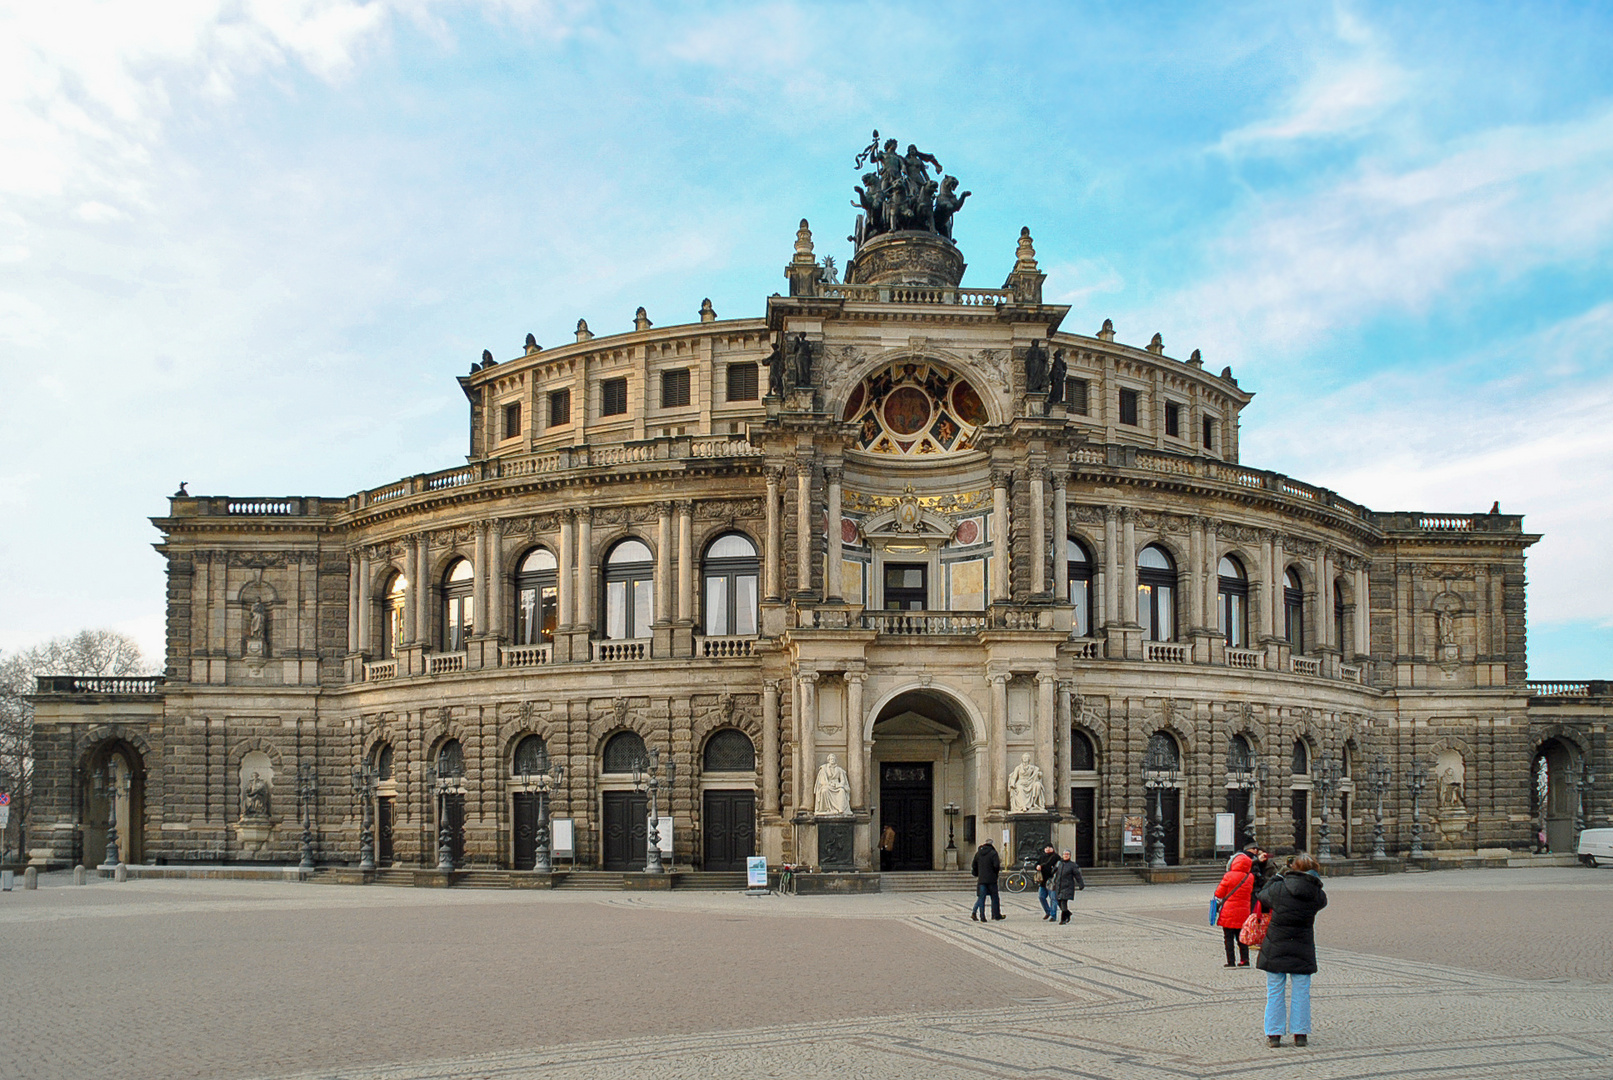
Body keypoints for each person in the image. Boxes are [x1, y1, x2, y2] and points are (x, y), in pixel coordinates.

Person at [1256, 852, 1328, 1048]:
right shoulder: (1317, 894)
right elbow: (1322, 900)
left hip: (1276, 943)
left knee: (1275, 990)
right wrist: (1314, 881)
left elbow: (1262, 895)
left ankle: (1274, 1034)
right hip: (1302, 945)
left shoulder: (1279, 887)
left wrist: (1278, 876)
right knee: (1301, 991)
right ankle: (1300, 1033)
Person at [1213, 845, 1267, 967]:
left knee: (1228, 938)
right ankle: (1245, 960)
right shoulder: (1250, 877)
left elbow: (1219, 893)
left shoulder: (1229, 876)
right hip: (1243, 912)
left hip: (1228, 911)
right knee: (1242, 937)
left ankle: (1231, 961)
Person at [970, 837, 1003, 922]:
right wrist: (995, 874)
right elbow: (996, 866)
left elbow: (974, 865)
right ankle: (995, 915)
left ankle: (982, 916)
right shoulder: (993, 853)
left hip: (982, 879)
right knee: (994, 898)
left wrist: (978, 873)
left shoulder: (978, 853)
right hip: (991, 879)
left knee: (981, 898)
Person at [1053, 848, 1085, 923]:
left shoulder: (1072, 865)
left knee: (1063, 902)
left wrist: (1081, 884)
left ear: (1070, 856)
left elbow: (1078, 875)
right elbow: (1055, 874)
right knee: (1058, 901)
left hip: (1067, 886)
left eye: (1067, 854)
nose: (1066, 856)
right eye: (1064, 854)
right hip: (1059, 886)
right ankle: (1067, 913)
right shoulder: (1059, 864)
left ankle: (1063, 919)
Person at [1035, 844, 1060, 921]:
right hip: (1043, 881)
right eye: (1046, 848)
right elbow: (1037, 864)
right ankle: (1048, 911)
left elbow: (1049, 863)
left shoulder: (1055, 857)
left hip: (1051, 880)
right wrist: (1037, 867)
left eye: (1049, 848)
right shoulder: (1042, 857)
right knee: (1041, 897)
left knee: (1053, 898)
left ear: (1052, 848)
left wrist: (1041, 866)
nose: (1047, 849)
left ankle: (1053, 915)